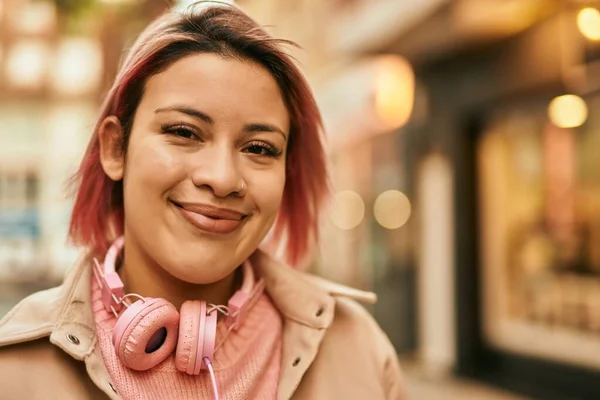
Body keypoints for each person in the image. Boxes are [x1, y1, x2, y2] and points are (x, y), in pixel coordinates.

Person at [0, 3, 407, 399]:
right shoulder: (15, 367)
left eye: (260, 148)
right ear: (115, 148)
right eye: (185, 131)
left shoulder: (358, 351)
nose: (223, 178)